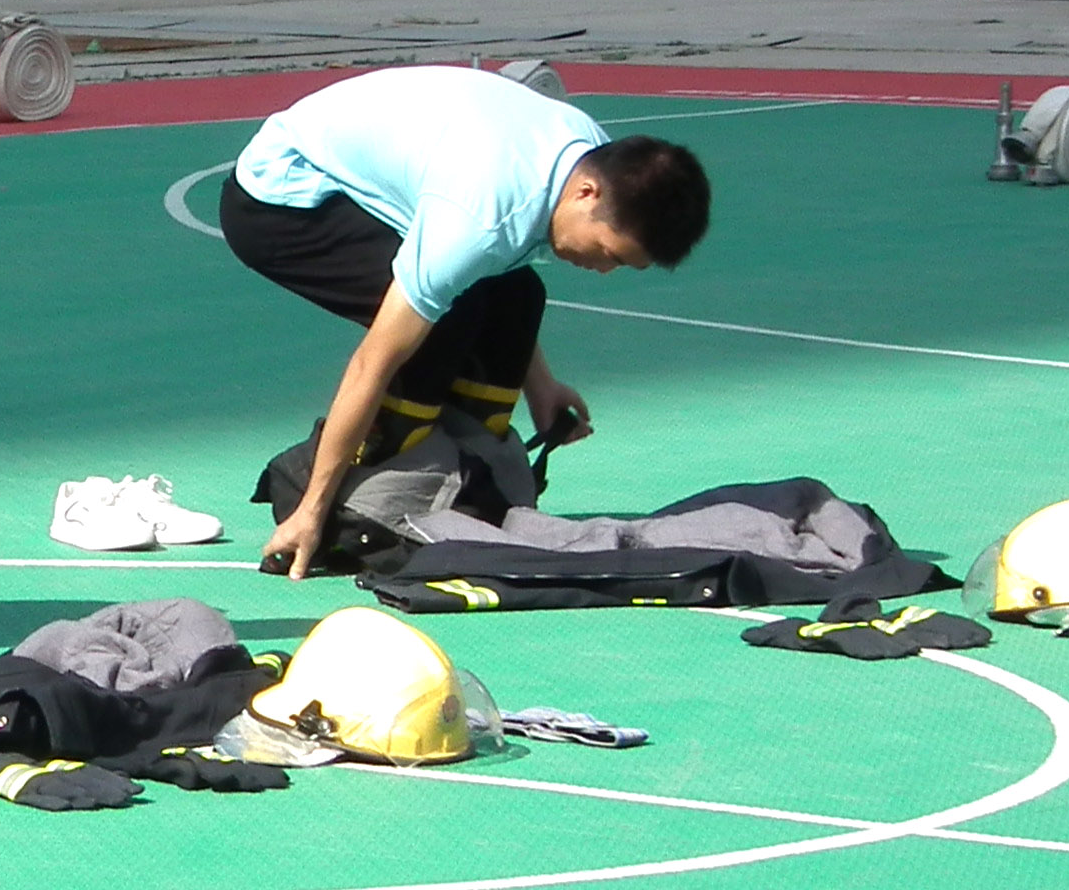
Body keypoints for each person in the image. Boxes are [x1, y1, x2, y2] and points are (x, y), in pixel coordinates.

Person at [223, 67, 710, 581]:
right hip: (284, 198)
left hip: (414, 179)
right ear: (586, 194)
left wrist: (541, 385)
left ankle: (467, 480)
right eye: (609, 253)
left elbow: (501, 269)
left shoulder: (591, 163)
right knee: (441, 325)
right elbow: (374, 362)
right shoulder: (479, 215)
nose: (605, 270)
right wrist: (310, 511)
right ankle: (359, 502)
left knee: (519, 296)